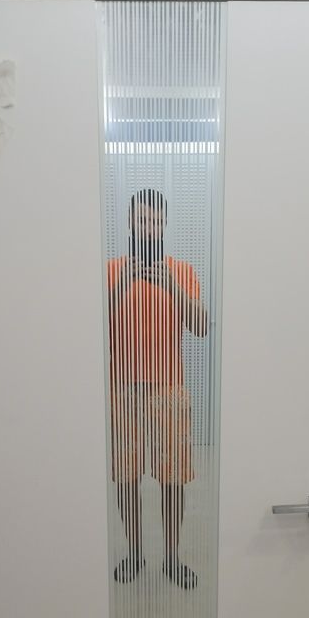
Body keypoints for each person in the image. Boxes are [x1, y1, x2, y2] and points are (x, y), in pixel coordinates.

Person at [108, 189, 208, 590]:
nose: (148, 227)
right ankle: (134, 553)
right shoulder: (111, 270)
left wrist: (174, 289)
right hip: (122, 388)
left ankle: (171, 557)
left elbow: (201, 328)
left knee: (173, 480)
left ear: (164, 225)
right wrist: (122, 285)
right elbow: (90, 326)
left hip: (169, 388)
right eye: (142, 220)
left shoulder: (181, 271)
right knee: (126, 479)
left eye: (155, 221)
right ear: (130, 223)